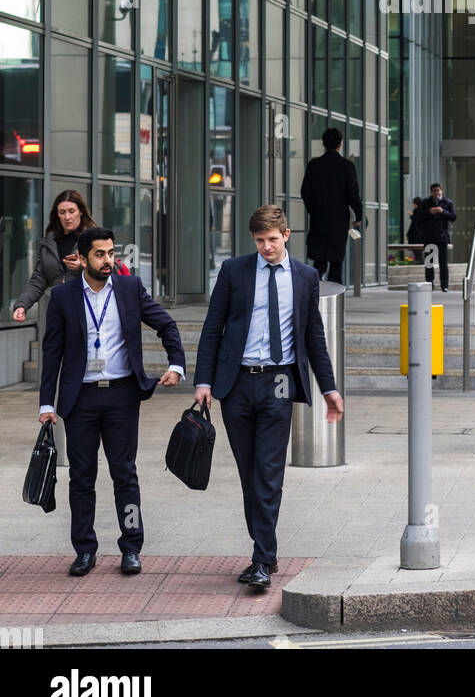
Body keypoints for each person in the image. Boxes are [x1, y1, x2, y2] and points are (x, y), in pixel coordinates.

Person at [193, 205, 343, 592]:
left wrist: (329, 388)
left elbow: (314, 337)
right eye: (259, 241)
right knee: (249, 473)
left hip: (279, 381)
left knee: (269, 473)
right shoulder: (234, 272)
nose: (266, 248)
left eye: (272, 240)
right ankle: (266, 550)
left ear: (287, 235)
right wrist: (203, 381)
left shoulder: (306, 277)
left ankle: (261, 559)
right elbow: (213, 328)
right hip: (237, 383)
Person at [38, 228, 185, 577]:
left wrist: (176, 364)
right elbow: (51, 353)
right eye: (101, 254)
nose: (109, 260)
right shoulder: (63, 296)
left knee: (124, 473)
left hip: (122, 395)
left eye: (111, 253)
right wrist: (47, 403)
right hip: (81, 399)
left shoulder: (130, 288)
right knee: (81, 477)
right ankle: (84, 549)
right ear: (84, 257)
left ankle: (131, 545)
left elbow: (166, 324)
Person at [12, 190, 94, 322]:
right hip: (57, 313)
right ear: (57, 215)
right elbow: (39, 279)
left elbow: (108, 272)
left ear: (81, 212)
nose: (67, 217)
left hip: (87, 313)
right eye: (62, 212)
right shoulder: (49, 242)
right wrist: (22, 305)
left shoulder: (94, 239)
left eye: (71, 211)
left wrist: (83, 267)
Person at [300, 128, 363, 282]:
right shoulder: (347, 165)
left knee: (319, 261)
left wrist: (313, 210)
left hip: (319, 219)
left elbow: (305, 192)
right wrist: (358, 216)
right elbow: (353, 194)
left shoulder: (314, 165)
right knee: (336, 261)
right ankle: (335, 298)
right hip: (339, 219)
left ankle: (311, 291)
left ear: (323, 143)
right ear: (340, 145)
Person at [416, 183, 457, 292]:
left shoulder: (448, 203)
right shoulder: (426, 203)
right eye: (434, 191)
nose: (436, 193)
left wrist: (442, 211)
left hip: (442, 237)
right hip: (429, 236)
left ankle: (444, 285)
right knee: (429, 262)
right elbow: (418, 217)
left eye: (438, 191)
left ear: (441, 191)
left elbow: (453, 217)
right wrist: (430, 211)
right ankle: (429, 283)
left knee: (443, 262)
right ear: (431, 192)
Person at [407, 196, 424, 263]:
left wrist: (412, 215)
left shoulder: (420, 211)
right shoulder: (417, 210)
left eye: (414, 203)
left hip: (417, 236)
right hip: (415, 235)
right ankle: (419, 263)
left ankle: (420, 264)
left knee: (418, 252)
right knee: (416, 252)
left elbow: (416, 221)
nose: (413, 205)